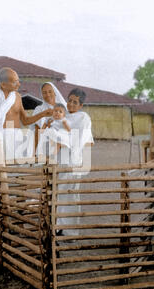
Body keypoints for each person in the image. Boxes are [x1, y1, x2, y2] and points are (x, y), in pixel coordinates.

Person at [0, 67, 53, 163]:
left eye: (18, 81)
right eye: (15, 82)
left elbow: (25, 121)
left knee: (14, 169)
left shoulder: (17, 97)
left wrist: (43, 114)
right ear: (3, 84)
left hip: (16, 137)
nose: (19, 84)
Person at [56, 88, 94, 237]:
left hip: (73, 159)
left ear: (81, 105)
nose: (71, 104)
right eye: (69, 100)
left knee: (71, 194)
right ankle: (58, 226)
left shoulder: (83, 117)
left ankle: (70, 230)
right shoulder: (62, 115)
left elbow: (85, 140)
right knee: (59, 193)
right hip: (60, 158)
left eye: (75, 102)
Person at [32, 82, 67, 152]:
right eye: (44, 93)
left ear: (55, 92)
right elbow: (37, 131)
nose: (47, 95)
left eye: (50, 91)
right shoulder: (39, 109)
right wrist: (34, 152)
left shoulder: (64, 107)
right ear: (42, 95)